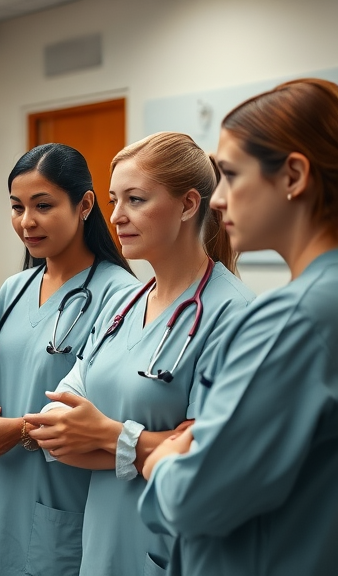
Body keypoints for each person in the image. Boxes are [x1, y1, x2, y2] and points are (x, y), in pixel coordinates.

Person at [23, 132, 255, 576]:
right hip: (101, 546)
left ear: (188, 206)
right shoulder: (122, 303)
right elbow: (57, 431)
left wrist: (106, 434)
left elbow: (209, 459)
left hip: (171, 549)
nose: (116, 217)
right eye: (114, 200)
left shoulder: (233, 313)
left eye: (135, 200)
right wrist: (148, 441)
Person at [138, 79, 338, 575]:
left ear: (293, 174)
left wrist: (162, 461)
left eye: (229, 175)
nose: (218, 199)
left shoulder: (296, 320)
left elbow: (192, 499)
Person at [0, 143, 138, 575]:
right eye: (17, 207)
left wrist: (18, 431)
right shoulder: (13, 289)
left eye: (43, 205)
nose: (26, 222)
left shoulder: (121, 296)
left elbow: (106, 409)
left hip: (63, 499)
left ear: (85, 205)